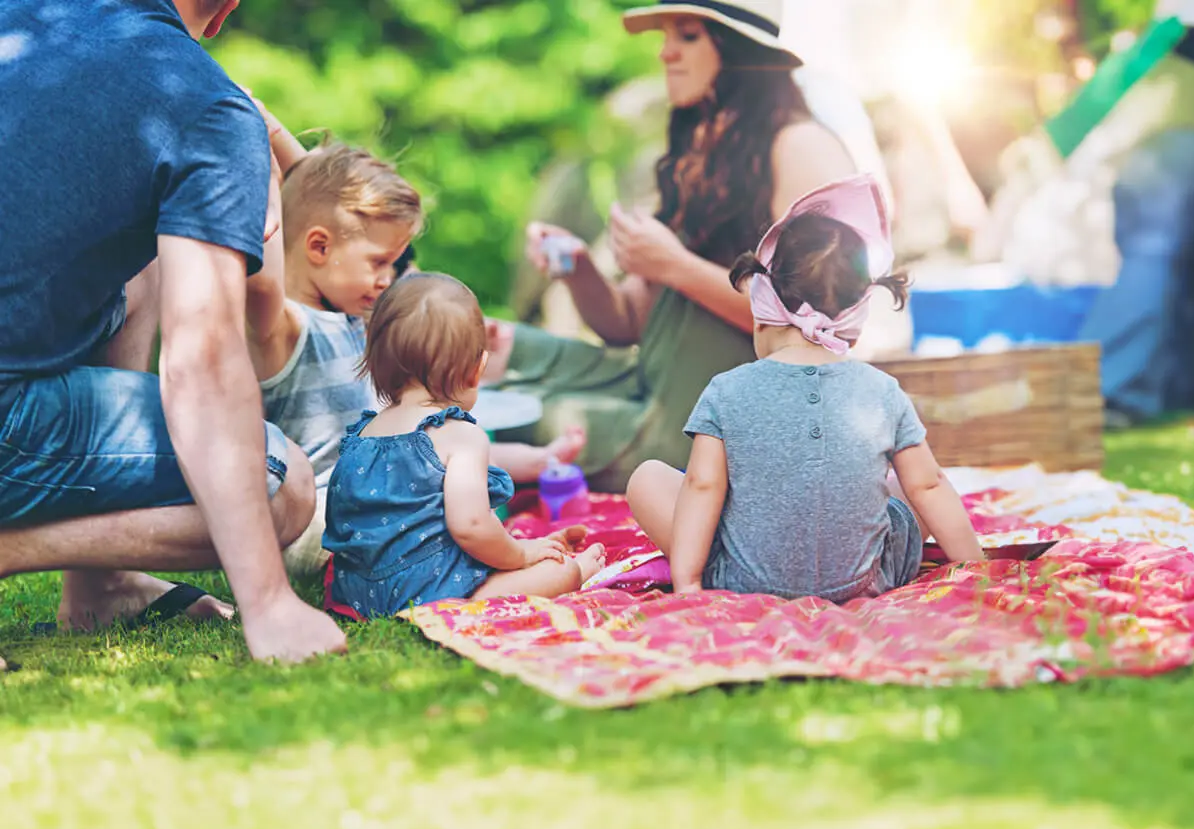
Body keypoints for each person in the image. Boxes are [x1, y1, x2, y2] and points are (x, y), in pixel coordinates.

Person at [0, 0, 347, 666]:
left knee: (149, 262)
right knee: (282, 486)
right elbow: (204, 359)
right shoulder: (201, 104)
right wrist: (270, 601)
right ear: (224, 12)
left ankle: (103, 586)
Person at [484, 0, 857, 493]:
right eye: (665, 37)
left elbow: (822, 329)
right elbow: (627, 325)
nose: (664, 54)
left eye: (686, 36)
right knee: (498, 357)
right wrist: (578, 269)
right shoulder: (697, 156)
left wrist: (676, 265)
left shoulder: (802, 147)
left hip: (717, 427)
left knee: (510, 421)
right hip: (654, 384)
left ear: (741, 51)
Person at [242, 124, 585, 579]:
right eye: (379, 262)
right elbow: (273, 256)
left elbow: (315, 191)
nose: (390, 277)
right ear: (318, 247)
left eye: (395, 262)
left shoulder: (358, 314)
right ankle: (490, 557)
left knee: (440, 438)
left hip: (375, 505)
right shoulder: (283, 328)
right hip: (318, 525)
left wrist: (274, 130)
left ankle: (535, 466)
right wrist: (251, 147)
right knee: (451, 491)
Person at [627, 176, 984, 602]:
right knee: (913, 482)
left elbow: (703, 487)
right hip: (866, 581)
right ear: (855, 316)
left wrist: (688, 584)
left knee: (648, 479)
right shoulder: (883, 391)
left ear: (761, 309)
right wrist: (977, 570)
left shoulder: (725, 391)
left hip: (744, 582)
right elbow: (930, 487)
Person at [324, 273, 606, 619]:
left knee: (500, 553)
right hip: (425, 592)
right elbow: (472, 526)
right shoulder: (461, 435)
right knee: (558, 571)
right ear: (476, 371)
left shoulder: (364, 432)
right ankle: (578, 572)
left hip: (355, 590)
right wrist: (521, 555)